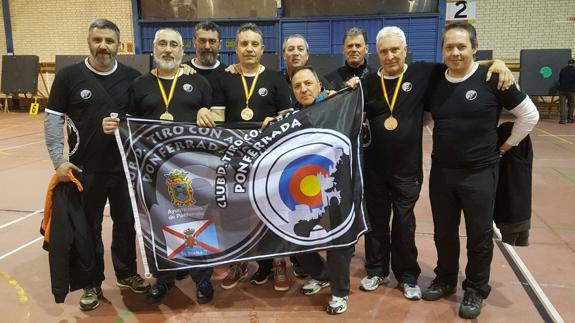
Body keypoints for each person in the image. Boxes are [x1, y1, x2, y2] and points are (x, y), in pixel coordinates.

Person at [360, 26, 516, 301]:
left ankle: (408, 276)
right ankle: (376, 270)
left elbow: (460, 63)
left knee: (405, 225)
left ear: (405, 50)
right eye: (384, 51)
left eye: (395, 49)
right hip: (374, 169)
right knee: (377, 224)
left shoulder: (423, 73)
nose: (390, 56)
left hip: (407, 170)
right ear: (376, 54)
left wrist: (497, 62)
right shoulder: (367, 83)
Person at [422, 21, 539, 319]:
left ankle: (475, 288)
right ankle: (446, 279)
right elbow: (424, 117)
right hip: (442, 173)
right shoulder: (435, 79)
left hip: (480, 173)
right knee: (443, 233)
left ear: (475, 48)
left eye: (462, 46)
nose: (455, 52)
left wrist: (507, 146)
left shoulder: (492, 78)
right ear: (443, 50)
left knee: (479, 235)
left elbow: (530, 115)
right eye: (449, 47)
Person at [102, 28, 215, 304]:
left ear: (182, 51)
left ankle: (202, 278)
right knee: (158, 223)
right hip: (152, 170)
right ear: (153, 50)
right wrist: (113, 125)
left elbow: (214, 123)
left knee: (197, 221)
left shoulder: (198, 83)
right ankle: (163, 279)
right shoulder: (139, 85)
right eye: (162, 44)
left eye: (174, 45)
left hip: (191, 169)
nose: (168, 49)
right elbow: (126, 122)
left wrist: (204, 111)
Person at [44, 19, 149, 311]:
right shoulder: (68, 77)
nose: (103, 46)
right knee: (86, 228)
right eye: (98, 40)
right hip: (83, 170)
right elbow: (53, 119)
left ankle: (127, 273)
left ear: (119, 44)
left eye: (109, 41)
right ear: (88, 41)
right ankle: (91, 283)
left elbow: (142, 119)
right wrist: (59, 160)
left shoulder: (133, 77)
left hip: (125, 170)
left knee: (127, 225)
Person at [196, 23, 292, 292]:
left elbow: (287, 118)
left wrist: (276, 119)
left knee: (272, 210)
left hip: (268, 160)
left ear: (262, 49)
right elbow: (217, 121)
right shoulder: (223, 79)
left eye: (254, 44)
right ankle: (239, 262)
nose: (249, 49)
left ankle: (276, 262)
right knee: (234, 212)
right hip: (235, 160)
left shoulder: (275, 79)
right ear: (235, 48)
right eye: (243, 44)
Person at [281, 65, 358, 315]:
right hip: (303, 191)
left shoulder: (339, 105)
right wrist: (272, 123)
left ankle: (339, 291)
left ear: (319, 86)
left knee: (338, 241)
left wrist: (358, 87)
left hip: (335, 187)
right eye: (297, 86)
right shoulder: (290, 117)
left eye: (308, 84)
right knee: (295, 238)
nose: (303, 89)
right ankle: (322, 275)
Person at [558, 58, 575, 124]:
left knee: (562, 105)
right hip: (572, 90)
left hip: (562, 90)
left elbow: (559, 80)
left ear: (568, 63)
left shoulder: (563, 70)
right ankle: (570, 119)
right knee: (571, 105)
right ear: (574, 64)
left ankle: (563, 120)